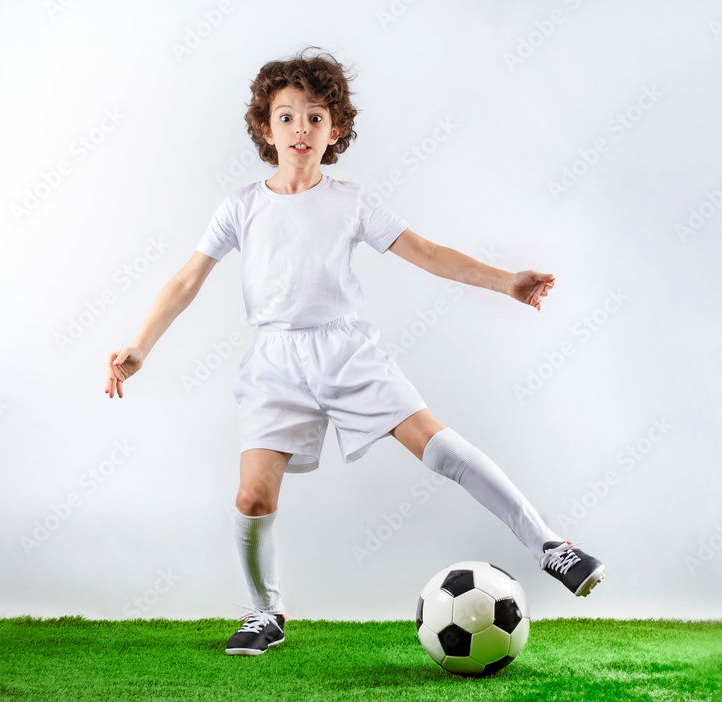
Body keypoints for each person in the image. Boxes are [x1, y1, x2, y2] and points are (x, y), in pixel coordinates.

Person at [104, 48, 604, 657]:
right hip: (274, 363)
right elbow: (185, 281)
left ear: (334, 130)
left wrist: (508, 281)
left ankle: (551, 545)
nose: (300, 129)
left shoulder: (352, 201)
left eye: (316, 117)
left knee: (440, 448)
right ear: (265, 128)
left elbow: (428, 252)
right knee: (252, 497)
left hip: (347, 351)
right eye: (286, 117)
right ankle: (265, 612)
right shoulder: (241, 206)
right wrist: (139, 347)